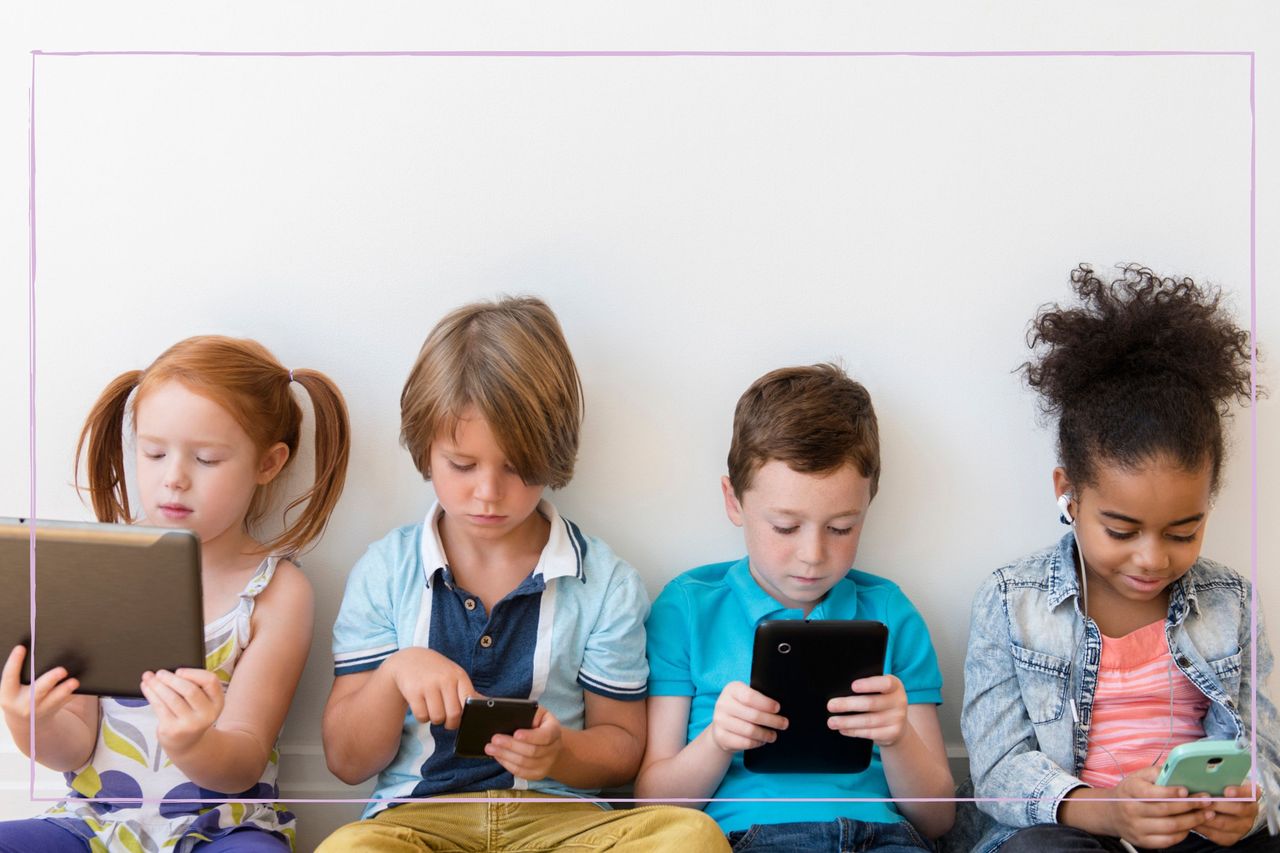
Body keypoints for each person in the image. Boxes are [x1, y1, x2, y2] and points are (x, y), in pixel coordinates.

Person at [317, 296, 726, 852]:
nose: (487, 492)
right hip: (417, 826)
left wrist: (561, 754)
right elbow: (346, 760)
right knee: (347, 848)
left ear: (551, 451)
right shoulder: (386, 572)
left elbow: (623, 748)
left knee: (690, 837)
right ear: (425, 448)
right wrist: (394, 675)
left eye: (515, 466)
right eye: (462, 466)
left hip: (564, 823)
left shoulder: (604, 583)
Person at [960, 264, 1280, 852]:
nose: (1151, 558)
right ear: (1069, 494)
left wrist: (1250, 804)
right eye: (1121, 530)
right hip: (1073, 830)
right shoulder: (1012, 600)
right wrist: (1107, 811)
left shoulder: (1231, 602)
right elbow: (998, 769)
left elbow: (1261, 749)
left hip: (1193, 834)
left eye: (1183, 531)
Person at [0, 335, 352, 852]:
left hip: (224, 829)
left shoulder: (277, 591)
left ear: (268, 463)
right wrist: (29, 721)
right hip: (93, 825)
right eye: (155, 452)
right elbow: (73, 747)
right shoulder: (101, 568)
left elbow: (243, 763)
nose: (174, 479)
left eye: (207, 459)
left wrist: (194, 742)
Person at [635, 363, 955, 852]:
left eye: (842, 527)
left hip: (885, 838)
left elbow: (937, 821)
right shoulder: (688, 608)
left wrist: (897, 739)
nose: (813, 555)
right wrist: (718, 740)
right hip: (748, 838)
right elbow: (652, 810)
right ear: (734, 501)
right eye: (785, 527)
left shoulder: (891, 611)